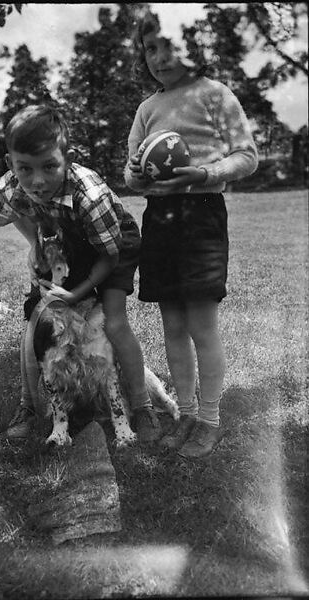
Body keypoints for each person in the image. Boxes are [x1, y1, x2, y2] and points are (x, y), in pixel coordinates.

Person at [124, 12, 258, 458]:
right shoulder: (147, 109)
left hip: (201, 215)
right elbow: (131, 173)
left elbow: (246, 155)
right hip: (159, 218)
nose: (159, 57)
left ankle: (210, 419)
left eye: (169, 44)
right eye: (150, 48)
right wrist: (142, 178)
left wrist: (203, 172)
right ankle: (184, 414)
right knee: (173, 325)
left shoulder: (214, 94)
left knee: (201, 324)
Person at [0, 104, 161, 444]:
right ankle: (28, 407)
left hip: (112, 244)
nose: (37, 181)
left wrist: (77, 292)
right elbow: (4, 215)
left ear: (66, 159)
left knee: (112, 320)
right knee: (37, 320)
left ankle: (142, 406)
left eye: (49, 167)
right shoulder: (12, 185)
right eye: (25, 169)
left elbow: (109, 257)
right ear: (11, 164)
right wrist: (35, 243)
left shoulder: (89, 193)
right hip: (68, 239)